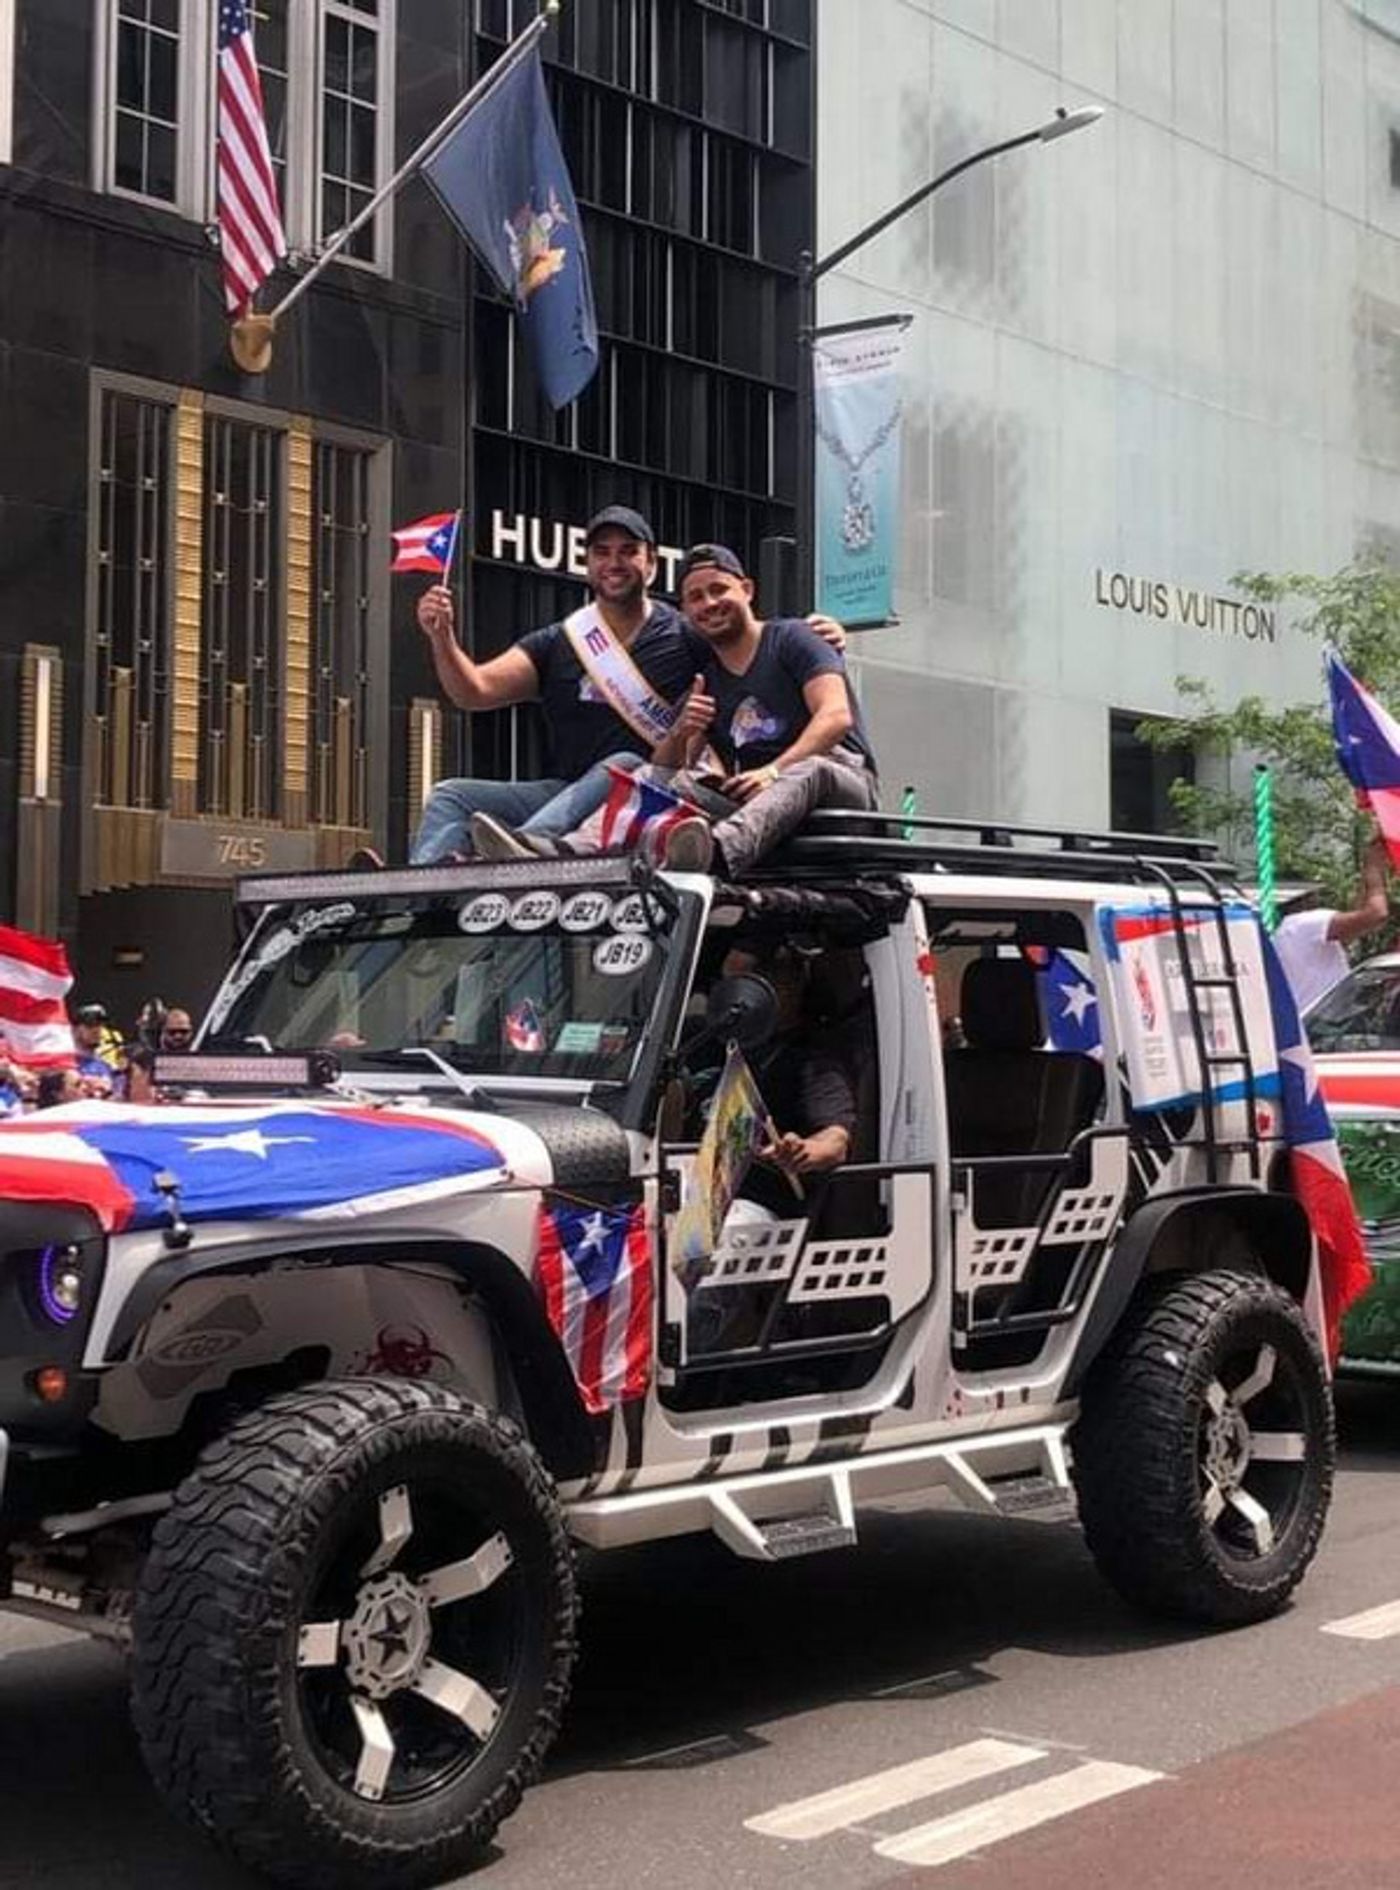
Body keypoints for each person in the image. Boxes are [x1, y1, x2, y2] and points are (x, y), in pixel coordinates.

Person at [403, 510, 849, 865]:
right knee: (451, 794)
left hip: (636, 791)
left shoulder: (686, 633)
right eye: (602, 552)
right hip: (564, 794)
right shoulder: (561, 640)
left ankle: (521, 854)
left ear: (650, 564)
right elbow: (474, 691)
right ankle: (427, 885)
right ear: (588, 564)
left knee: (621, 763)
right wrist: (442, 638)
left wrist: (821, 636)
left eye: (628, 550)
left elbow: (742, 638)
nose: (614, 562)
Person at [483, 543, 878, 874]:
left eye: (719, 589)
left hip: (839, 783)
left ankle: (715, 853)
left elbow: (836, 717)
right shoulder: (706, 676)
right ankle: (563, 852)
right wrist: (681, 732)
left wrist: (774, 771)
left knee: (812, 769)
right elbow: (673, 769)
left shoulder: (794, 637)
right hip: (760, 805)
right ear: (685, 611)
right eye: (696, 597)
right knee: (646, 772)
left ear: (747, 589)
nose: (709, 603)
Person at [1274, 835, 1389, 1013]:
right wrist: (1374, 873)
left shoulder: (1288, 932)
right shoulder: (1305, 924)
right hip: (1324, 1027)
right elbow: (1376, 914)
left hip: (1311, 1025)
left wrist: (1367, 874)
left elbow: (1353, 926)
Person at [74, 1002, 122, 1093]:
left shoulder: (107, 1066)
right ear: (75, 1029)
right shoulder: (65, 1064)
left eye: (100, 1024)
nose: (97, 1029)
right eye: (90, 1024)